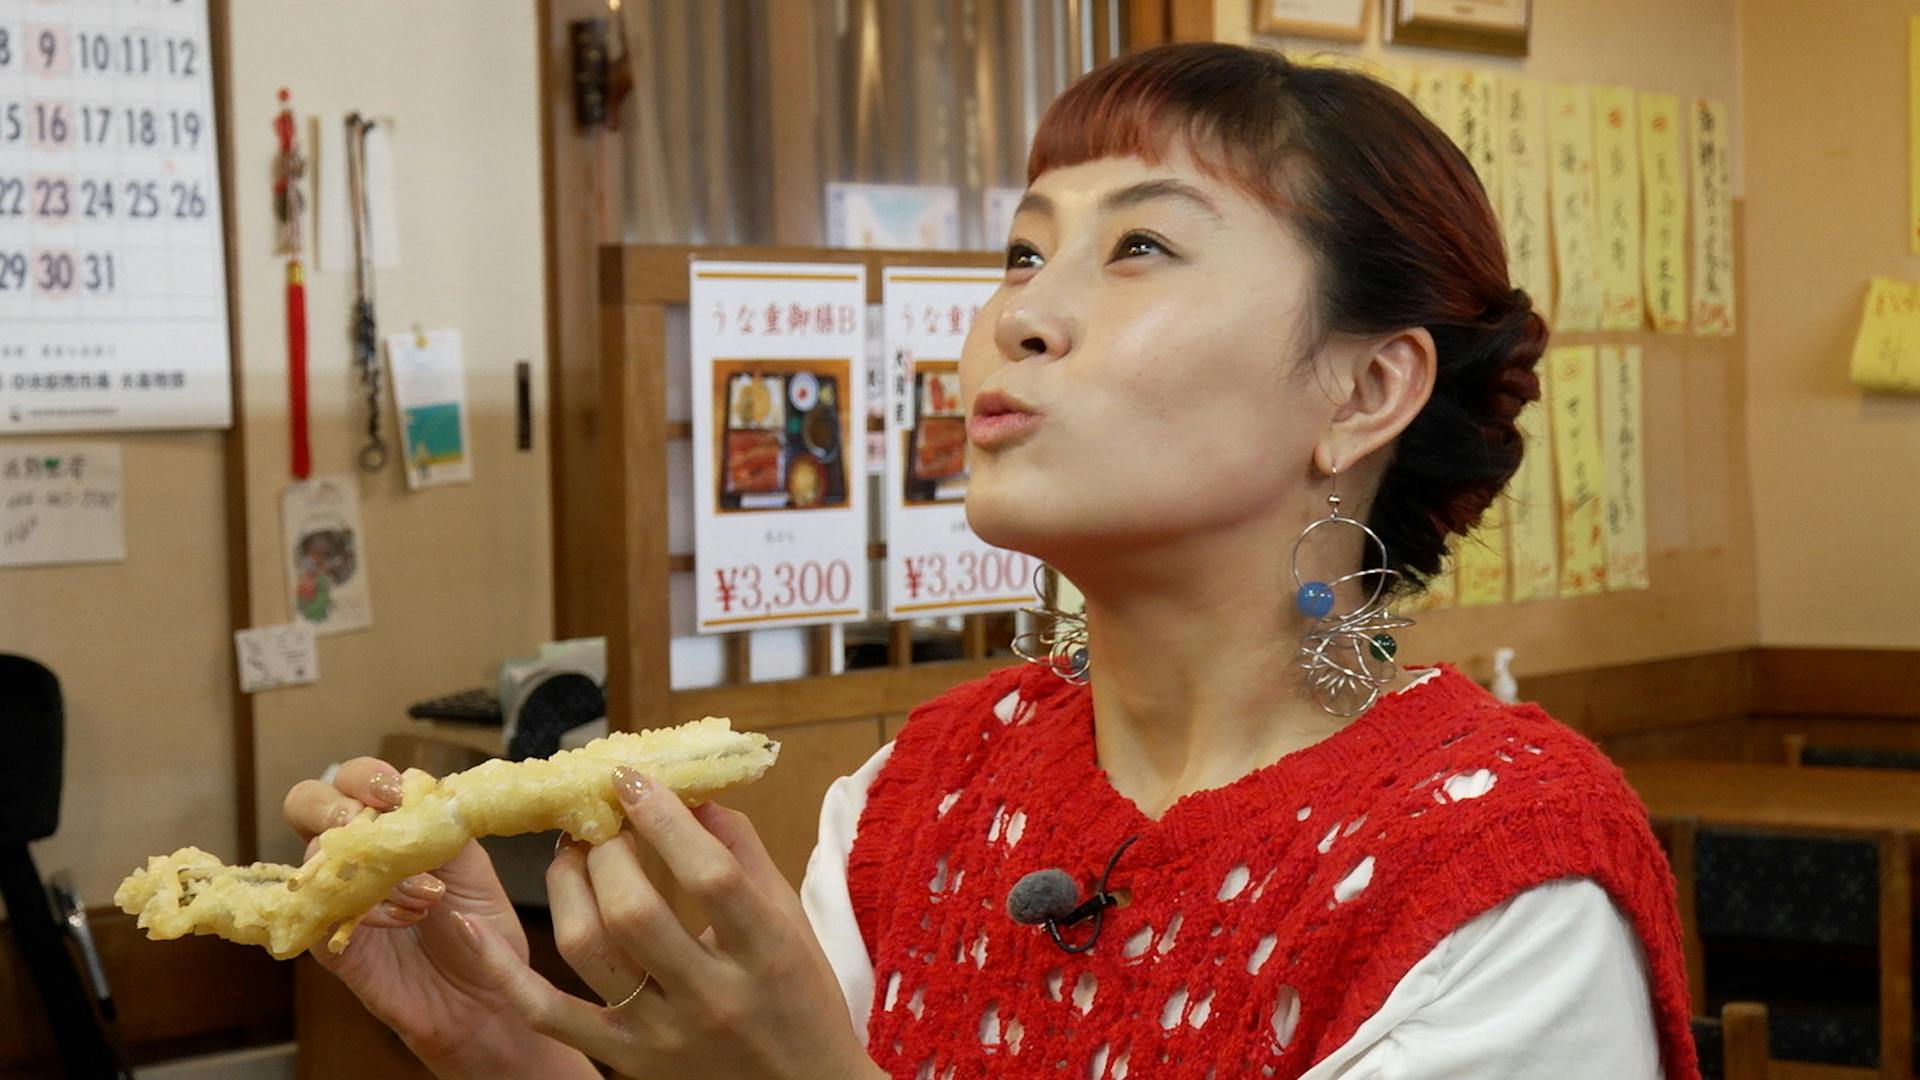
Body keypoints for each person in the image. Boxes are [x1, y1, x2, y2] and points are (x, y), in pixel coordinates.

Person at [282, 42, 1697, 1080]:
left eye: (1140, 246)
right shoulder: (923, 795)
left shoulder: (1500, 876)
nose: (1017, 316)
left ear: (1365, 389)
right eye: (1023, 253)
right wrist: (498, 1040)